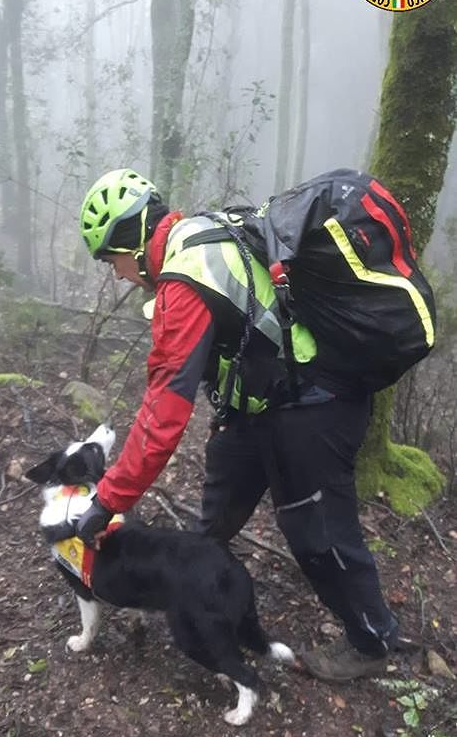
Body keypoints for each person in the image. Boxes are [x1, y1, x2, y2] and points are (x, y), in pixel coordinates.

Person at [76, 167, 399, 681]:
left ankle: (371, 640)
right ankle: (197, 588)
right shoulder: (198, 235)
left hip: (315, 405)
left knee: (317, 535)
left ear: (132, 242)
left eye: (111, 260)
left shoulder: (183, 281)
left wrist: (107, 501)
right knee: (217, 503)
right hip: (261, 405)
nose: (116, 274)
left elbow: (163, 415)